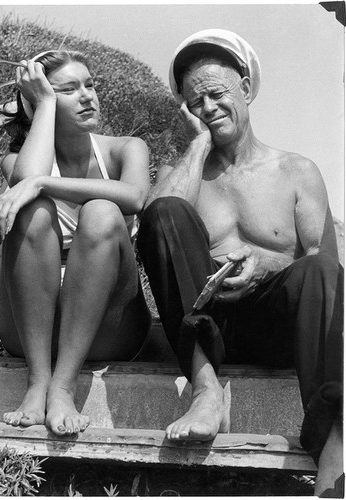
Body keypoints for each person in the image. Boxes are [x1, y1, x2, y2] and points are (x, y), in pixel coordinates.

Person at [137, 29, 343, 496]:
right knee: (165, 210)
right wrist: (197, 145)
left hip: (278, 329)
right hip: (208, 330)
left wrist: (266, 263)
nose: (208, 108)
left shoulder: (296, 170)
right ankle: (206, 392)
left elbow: (322, 265)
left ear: (245, 88)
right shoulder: (182, 173)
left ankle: (333, 442)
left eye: (217, 94)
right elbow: (155, 223)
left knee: (321, 270)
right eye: (196, 102)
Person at [0, 49, 151, 437]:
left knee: (103, 212)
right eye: (69, 90)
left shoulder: (125, 148)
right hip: (30, 329)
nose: (88, 96)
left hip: (109, 325)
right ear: (40, 99)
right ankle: (38, 382)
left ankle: (63, 386)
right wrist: (42, 106)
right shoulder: (17, 161)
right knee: (33, 210)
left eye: (90, 85)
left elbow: (136, 197)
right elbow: (26, 179)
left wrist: (44, 183)